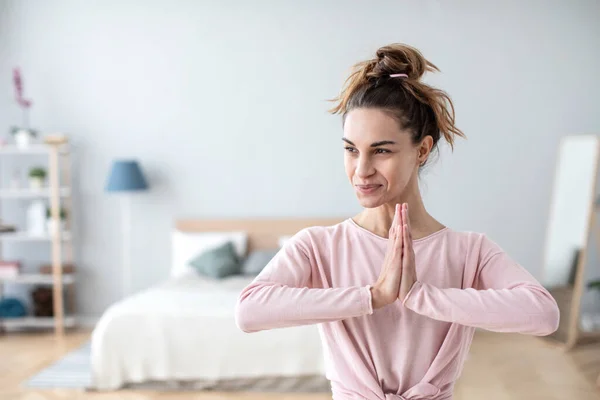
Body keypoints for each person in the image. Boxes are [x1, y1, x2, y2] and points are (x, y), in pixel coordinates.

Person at [234, 43, 560, 400]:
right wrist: (372, 296)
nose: (361, 170)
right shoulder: (319, 246)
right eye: (351, 149)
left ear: (421, 150)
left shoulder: (469, 251)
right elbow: (250, 311)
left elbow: (543, 314)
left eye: (381, 150)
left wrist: (422, 296)